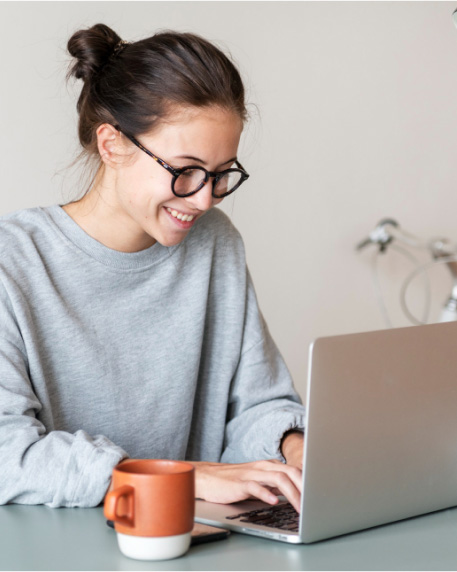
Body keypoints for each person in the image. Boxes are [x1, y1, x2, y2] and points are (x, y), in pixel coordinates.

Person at [0, 23, 305, 511]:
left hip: (195, 545)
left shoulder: (215, 245)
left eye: (222, 174)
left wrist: (294, 448)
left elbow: (258, 406)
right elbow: (7, 457)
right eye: (185, 171)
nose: (205, 198)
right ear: (112, 144)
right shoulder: (12, 263)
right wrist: (182, 478)